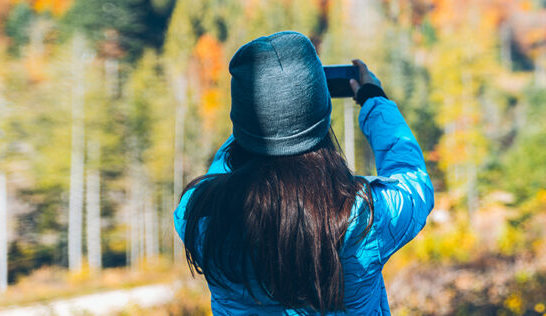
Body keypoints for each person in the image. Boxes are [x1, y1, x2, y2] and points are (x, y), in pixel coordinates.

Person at [173, 31, 434, 315]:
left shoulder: (200, 217)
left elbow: (219, 176)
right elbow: (413, 178)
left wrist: (254, 124)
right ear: (320, 118)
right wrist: (375, 100)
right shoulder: (364, 217)